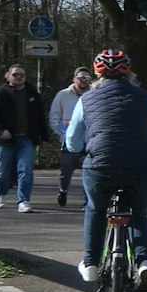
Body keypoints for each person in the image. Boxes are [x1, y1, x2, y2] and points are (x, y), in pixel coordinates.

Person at [64, 49, 147, 292]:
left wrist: (76, 149)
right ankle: (144, 263)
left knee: (95, 210)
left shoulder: (85, 100)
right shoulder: (142, 97)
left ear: (97, 74)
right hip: (141, 166)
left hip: (100, 166)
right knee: (138, 215)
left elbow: (73, 140)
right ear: (128, 74)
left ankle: (91, 263)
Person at [0, 63, 50, 213]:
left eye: (22, 75)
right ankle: (0, 195)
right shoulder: (0, 93)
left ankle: (24, 200)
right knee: (2, 171)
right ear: (7, 76)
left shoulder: (33, 93)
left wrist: (44, 137)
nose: (19, 77)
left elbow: (40, 116)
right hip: (5, 139)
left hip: (27, 139)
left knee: (25, 170)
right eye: (15, 75)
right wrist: (0, 130)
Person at [47, 65, 94, 209]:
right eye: (81, 78)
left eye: (87, 78)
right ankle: (63, 191)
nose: (84, 81)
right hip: (70, 140)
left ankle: (88, 202)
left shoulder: (94, 95)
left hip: (90, 140)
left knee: (90, 170)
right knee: (66, 170)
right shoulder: (63, 95)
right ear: (74, 79)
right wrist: (63, 134)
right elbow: (54, 117)